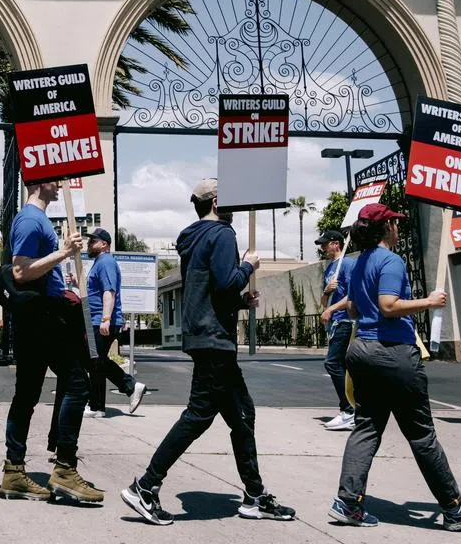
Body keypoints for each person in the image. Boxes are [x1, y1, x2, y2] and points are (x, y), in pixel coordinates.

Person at [122, 178, 295, 526]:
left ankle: (254, 495)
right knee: (198, 415)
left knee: (243, 416)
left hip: (206, 336)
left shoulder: (195, 237)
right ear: (216, 201)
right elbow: (226, 281)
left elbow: (212, 289)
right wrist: (249, 266)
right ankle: (146, 485)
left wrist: (241, 303)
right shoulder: (223, 235)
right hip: (215, 340)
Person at [329, 203, 461, 530]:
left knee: (367, 426)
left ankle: (349, 502)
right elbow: (389, 306)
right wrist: (430, 302)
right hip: (392, 354)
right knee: (420, 433)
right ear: (386, 227)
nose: (399, 228)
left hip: (363, 351)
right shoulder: (390, 261)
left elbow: (357, 310)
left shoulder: (358, 263)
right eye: (395, 223)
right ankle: (455, 508)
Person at [0, 179, 102, 504]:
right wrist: (64, 252)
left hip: (38, 318)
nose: (59, 184)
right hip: (44, 317)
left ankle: (14, 472)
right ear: (40, 181)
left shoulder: (35, 218)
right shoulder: (31, 219)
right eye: (54, 179)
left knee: (27, 393)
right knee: (77, 385)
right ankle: (64, 470)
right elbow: (20, 271)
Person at [83, 228, 147, 417]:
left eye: (93, 241)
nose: (89, 244)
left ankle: (99, 405)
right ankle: (102, 404)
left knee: (95, 361)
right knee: (96, 361)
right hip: (96, 319)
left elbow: (109, 292)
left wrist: (106, 319)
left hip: (103, 320)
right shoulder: (98, 263)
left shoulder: (106, 262)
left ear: (104, 244)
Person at [317, 229, 356, 431]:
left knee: (332, 363)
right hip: (334, 323)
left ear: (336, 244)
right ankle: (351, 409)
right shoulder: (329, 268)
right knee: (341, 365)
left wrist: (331, 308)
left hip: (346, 321)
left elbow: (353, 296)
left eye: (325, 244)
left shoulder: (348, 265)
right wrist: (327, 292)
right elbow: (323, 300)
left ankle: (349, 410)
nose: (323, 248)